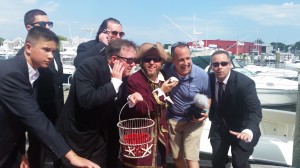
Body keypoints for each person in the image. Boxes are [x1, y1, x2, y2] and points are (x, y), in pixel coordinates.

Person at [0, 26, 99, 168]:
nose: (51, 56)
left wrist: (21, 152)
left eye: (53, 51)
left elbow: (17, 116)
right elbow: (33, 117)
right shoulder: (12, 74)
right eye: (46, 50)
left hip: (11, 148)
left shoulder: (33, 73)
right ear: (28, 48)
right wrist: (72, 156)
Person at [56, 39, 140, 168]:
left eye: (135, 60)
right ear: (114, 59)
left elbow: (120, 98)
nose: (133, 64)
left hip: (101, 137)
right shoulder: (89, 67)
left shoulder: (123, 73)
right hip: (78, 135)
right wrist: (114, 84)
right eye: (129, 60)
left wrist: (130, 98)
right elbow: (86, 100)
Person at [16, 9, 65, 168]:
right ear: (29, 27)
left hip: (57, 112)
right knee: (38, 155)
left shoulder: (53, 52)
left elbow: (58, 80)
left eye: (49, 23)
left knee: (59, 151)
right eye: (43, 24)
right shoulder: (22, 59)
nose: (48, 27)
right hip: (38, 115)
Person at [121, 42, 178, 167]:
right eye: (147, 59)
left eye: (156, 59)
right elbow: (142, 109)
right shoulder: (134, 80)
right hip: (140, 140)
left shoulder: (165, 78)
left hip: (161, 138)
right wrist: (161, 91)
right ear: (141, 62)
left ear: (161, 63)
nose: (152, 62)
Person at [208, 50, 262, 168]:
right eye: (216, 64)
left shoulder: (245, 84)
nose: (219, 67)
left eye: (223, 63)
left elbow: (254, 110)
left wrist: (248, 131)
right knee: (217, 161)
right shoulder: (209, 79)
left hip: (241, 128)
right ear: (211, 66)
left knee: (239, 163)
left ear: (230, 64)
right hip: (220, 127)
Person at [163, 42, 211, 168]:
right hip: (174, 120)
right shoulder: (167, 70)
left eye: (188, 58)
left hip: (193, 121)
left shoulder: (201, 75)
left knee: (191, 158)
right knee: (177, 157)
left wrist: (205, 113)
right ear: (173, 60)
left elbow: (208, 97)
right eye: (181, 60)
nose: (185, 63)